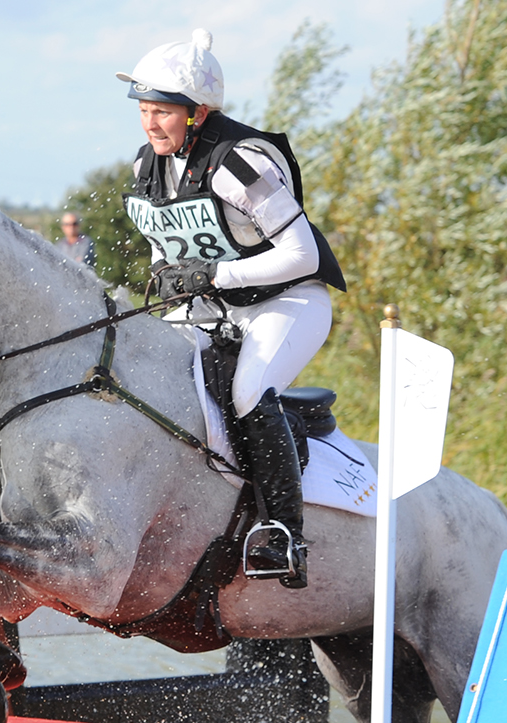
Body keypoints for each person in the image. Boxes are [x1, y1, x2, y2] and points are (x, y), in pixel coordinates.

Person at [117, 29, 346, 589]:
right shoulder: (150, 164)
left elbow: (302, 253)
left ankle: (283, 534)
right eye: (144, 110)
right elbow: (168, 245)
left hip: (288, 300)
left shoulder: (239, 163)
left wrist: (216, 274)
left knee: (245, 393)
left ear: (198, 113)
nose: (150, 123)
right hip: (212, 305)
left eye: (163, 113)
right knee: (147, 378)